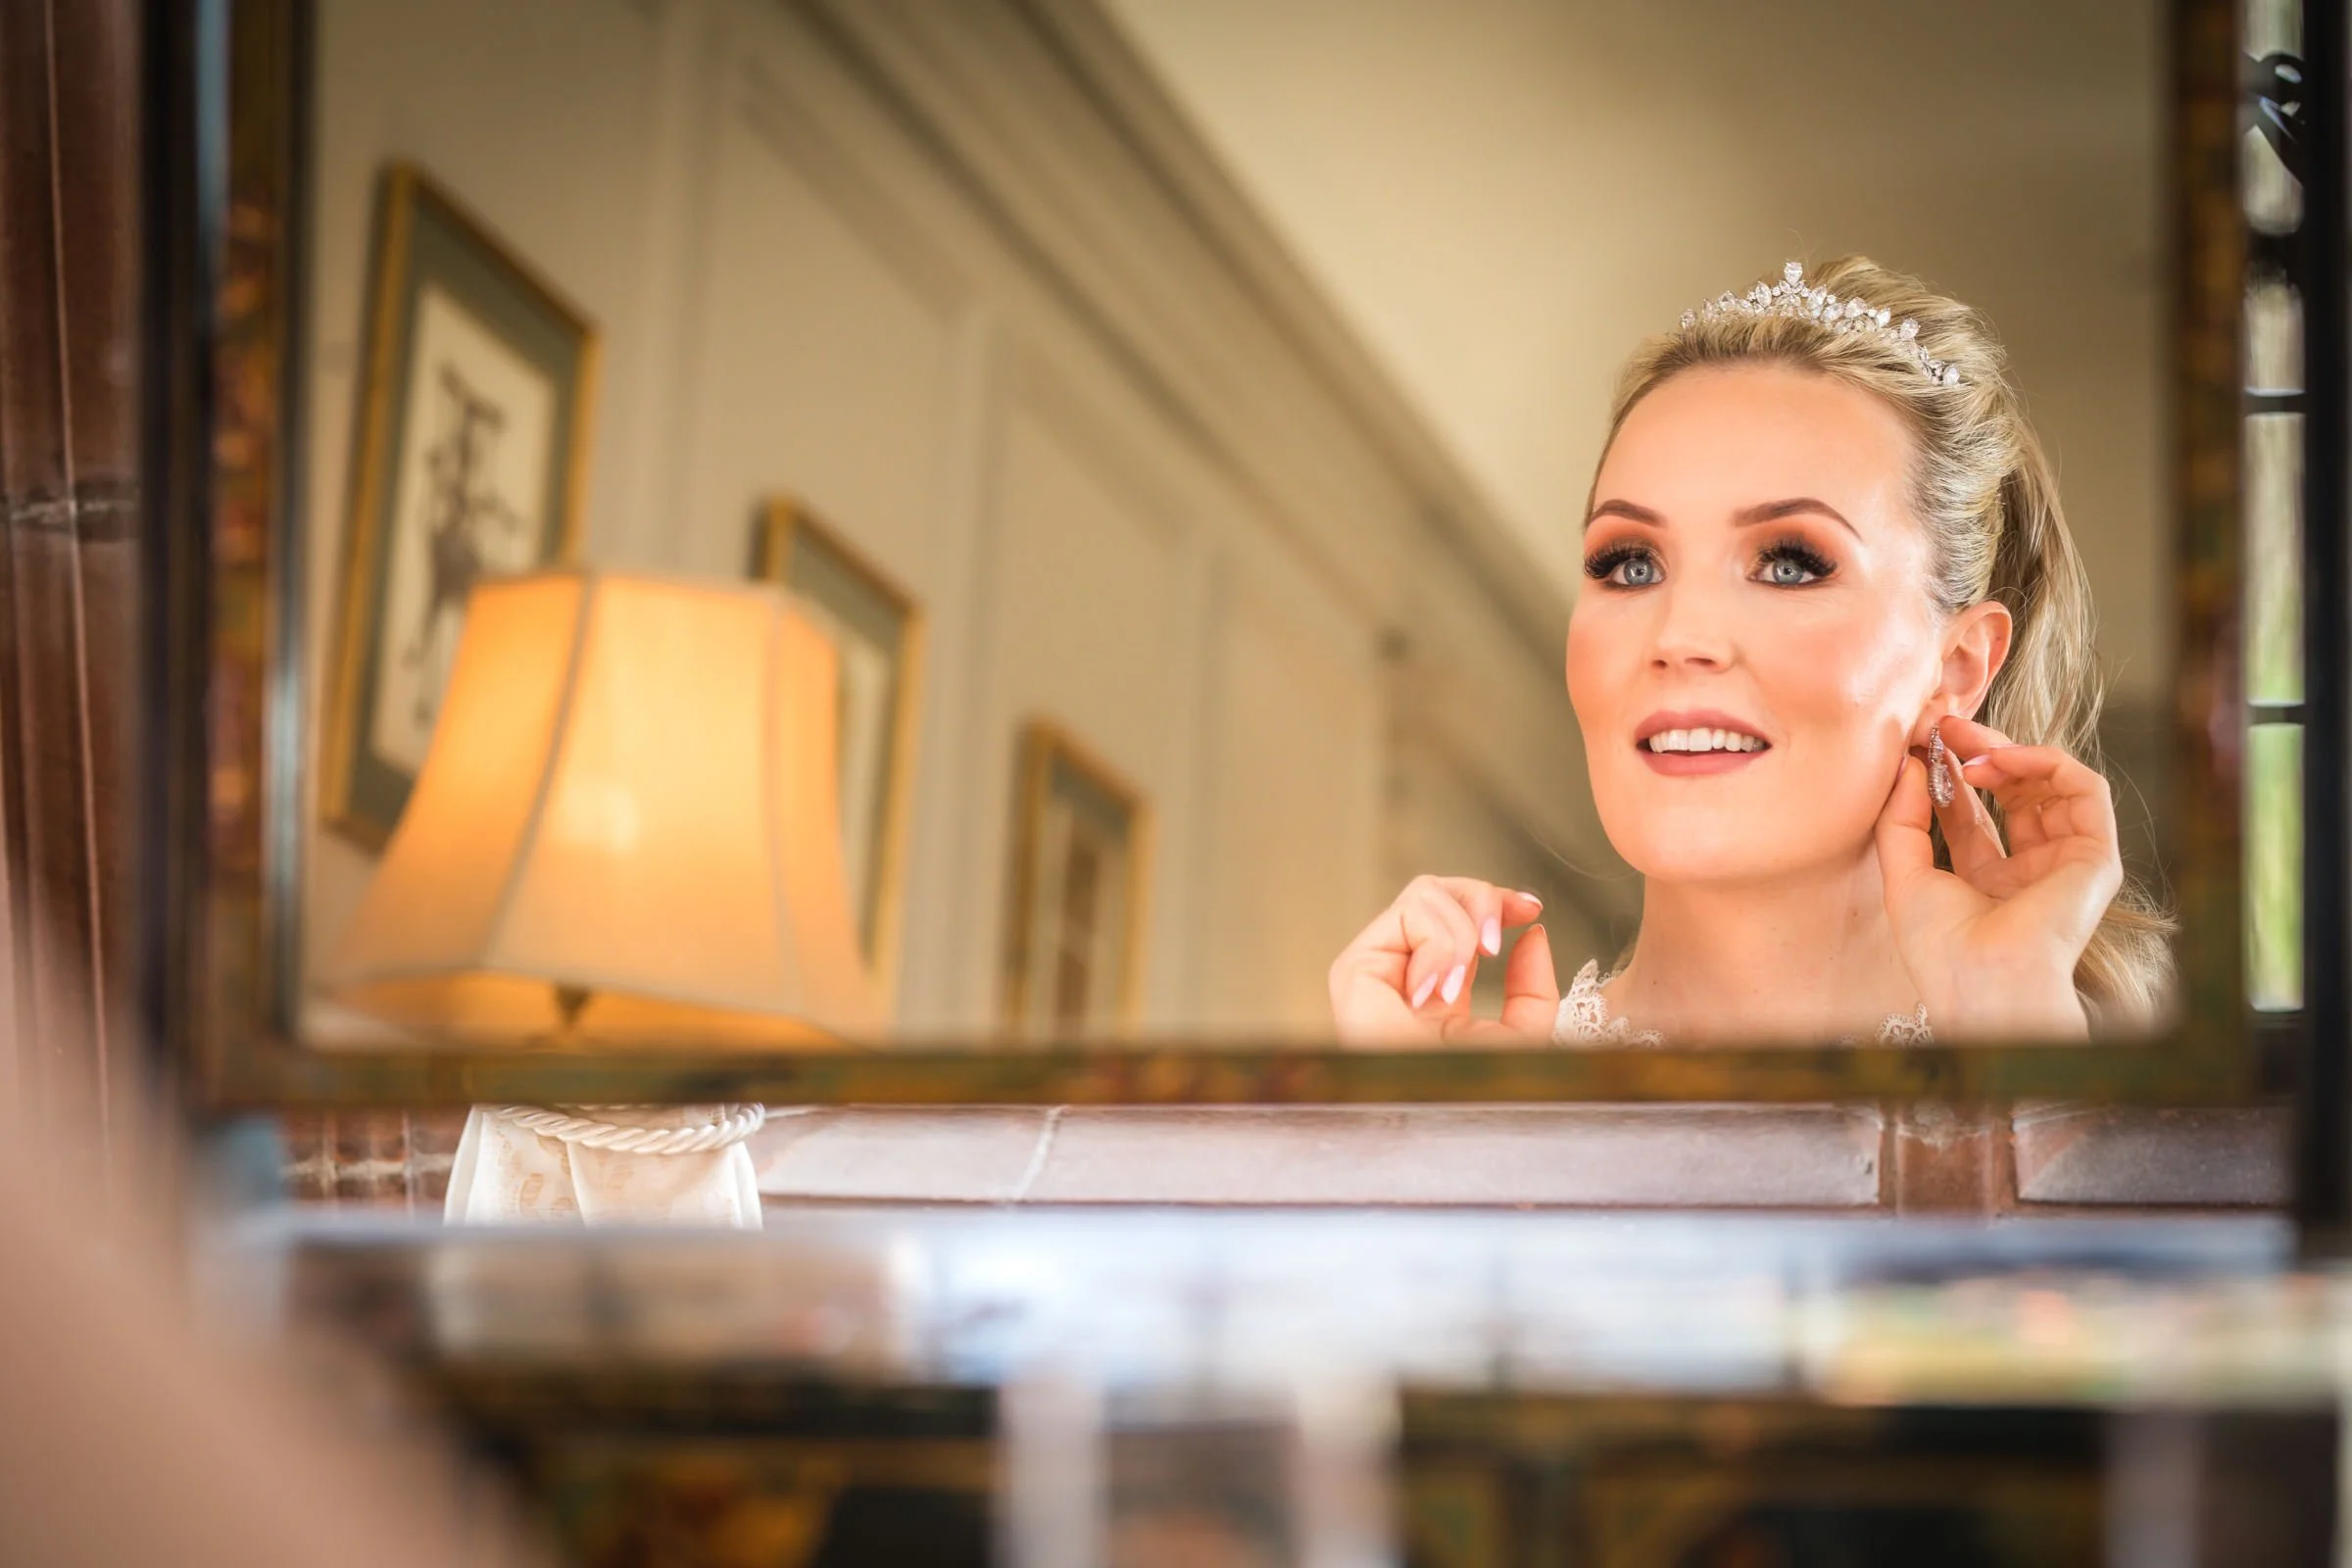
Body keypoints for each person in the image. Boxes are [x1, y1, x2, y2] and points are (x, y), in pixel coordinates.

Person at [1329, 258, 2172, 1047]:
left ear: (1957, 667)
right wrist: (1441, 1158)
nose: (1682, 638)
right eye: (1630, 564)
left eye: (1788, 564)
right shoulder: (1471, 1093)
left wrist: (2012, 1027)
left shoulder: (2091, 1093)